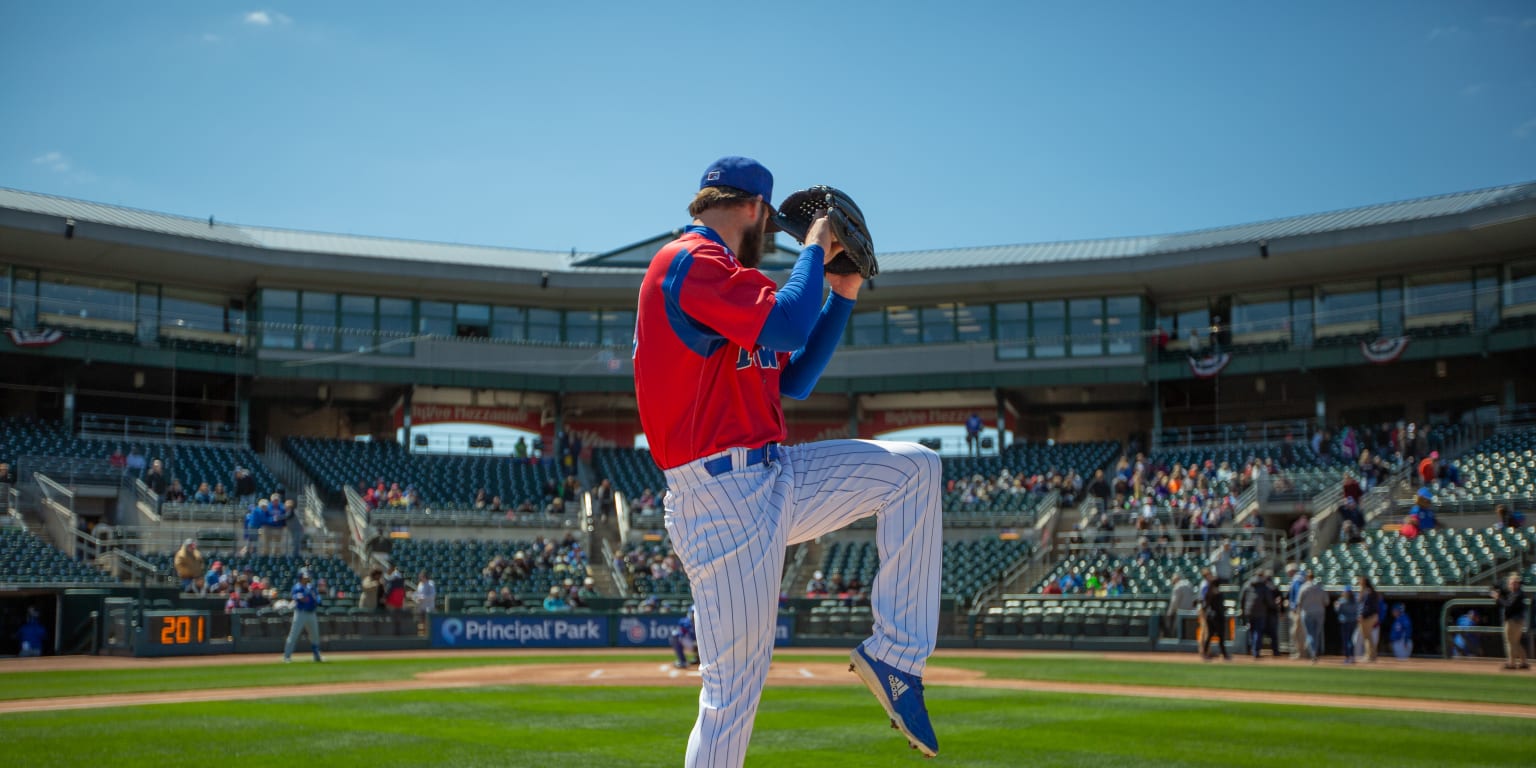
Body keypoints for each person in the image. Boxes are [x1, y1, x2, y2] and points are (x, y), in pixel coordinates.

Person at [633, 156, 942, 763]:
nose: (771, 236)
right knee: (730, 701)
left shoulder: (729, 284)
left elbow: (793, 376)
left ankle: (896, 660)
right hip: (720, 496)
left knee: (915, 469)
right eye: (770, 224)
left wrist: (843, 293)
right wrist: (817, 244)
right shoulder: (688, 262)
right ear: (752, 208)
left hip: (772, 474)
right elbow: (786, 326)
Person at [282, 568, 323, 663]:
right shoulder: (297, 587)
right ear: (300, 577)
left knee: (315, 635)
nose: (307, 578)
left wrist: (317, 600)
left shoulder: (311, 587)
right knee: (293, 635)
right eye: (305, 577)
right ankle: (287, 656)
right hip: (300, 613)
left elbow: (317, 597)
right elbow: (299, 598)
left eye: (307, 576)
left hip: (311, 613)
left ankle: (316, 655)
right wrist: (306, 594)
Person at [1491, 572, 1529, 670]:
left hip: (1513, 621)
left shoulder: (1518, 594)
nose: (1512, 584)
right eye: (1511, 583)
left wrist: (1498, 598)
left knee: (1510, 642)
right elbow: (1496, 586)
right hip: (1517, 621)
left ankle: (1511, 663)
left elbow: (1508, 605)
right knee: (1515, 642)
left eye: (1514, 583)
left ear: (1518, 584)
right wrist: (1496, 589)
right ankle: (1524, 662)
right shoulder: (1514, 592)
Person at [1294, 569, 1330, 663]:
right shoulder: (1320, 587)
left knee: (1310, 634)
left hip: (1307, 613)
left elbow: (1298, 602)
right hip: (1319, 613)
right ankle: (1314, 652)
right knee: (1316, 634)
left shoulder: (1303, 587)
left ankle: (1313, 654)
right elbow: (1326, 602)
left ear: (1307, 577)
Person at [1239, 569, 1274, 659]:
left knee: (1252, 630)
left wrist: (1242, 610)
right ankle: (1256, 650)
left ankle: (1253, 648)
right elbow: (1269, 601)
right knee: (1258, 631)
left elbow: (1241, 599)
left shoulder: (1247, 584)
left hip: (1249, 611)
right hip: (1260, 612)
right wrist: (1274, 607)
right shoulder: (1264, 586)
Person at [1199, 570, 1231, 661]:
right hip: (1217, 616)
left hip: (1209, 615)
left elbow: (1205, 604)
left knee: (1209, 635)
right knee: (1221, 636)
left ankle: (1204, 654)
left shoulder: (1208, 592)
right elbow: (1220, 607)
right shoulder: (1218, 594)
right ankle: (1224, 655)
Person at [1357, 576, 1381, 663]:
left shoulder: (1367, 592)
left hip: (1368, 616)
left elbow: (1365, 606)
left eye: (1360, 581)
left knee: (1366, 637)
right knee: (1369, 636)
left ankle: (1368, 656)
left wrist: (1362, 615)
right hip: (1373, 616)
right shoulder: (1370, 591)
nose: (1359, 582)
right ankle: (1373, 655)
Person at [1165, 572, 1195, 638]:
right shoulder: (1189, 584)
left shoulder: (1177, 586)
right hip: (1190, 612)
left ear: (1177, 578)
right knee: (1188, 633)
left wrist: (1170, 612)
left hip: (1180, 612)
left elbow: (1174, 602)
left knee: (1177, 632)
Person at [1335, 586, 1359, 664]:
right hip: (1353, 622)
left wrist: (1336, 605)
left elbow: (1337, 610)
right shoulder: (1355, 600)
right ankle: (1352, 657)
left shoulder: (1342, 601)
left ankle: (1348, 657)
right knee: (1351, 640)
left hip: (1345, 622)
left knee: (1346, 640)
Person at [413, 570, 437, 636]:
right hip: (421, 607)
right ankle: (424, 636)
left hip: (429, 607)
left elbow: (433, 595)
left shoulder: (430, 583)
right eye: (420, 576)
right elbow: (417, 594)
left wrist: (423, 598)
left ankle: (430, 636)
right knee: (422, 623)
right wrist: (415, 598)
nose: (420, 578)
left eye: (422, 576)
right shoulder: (420, 584)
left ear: (425, 576)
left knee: (429, 623)